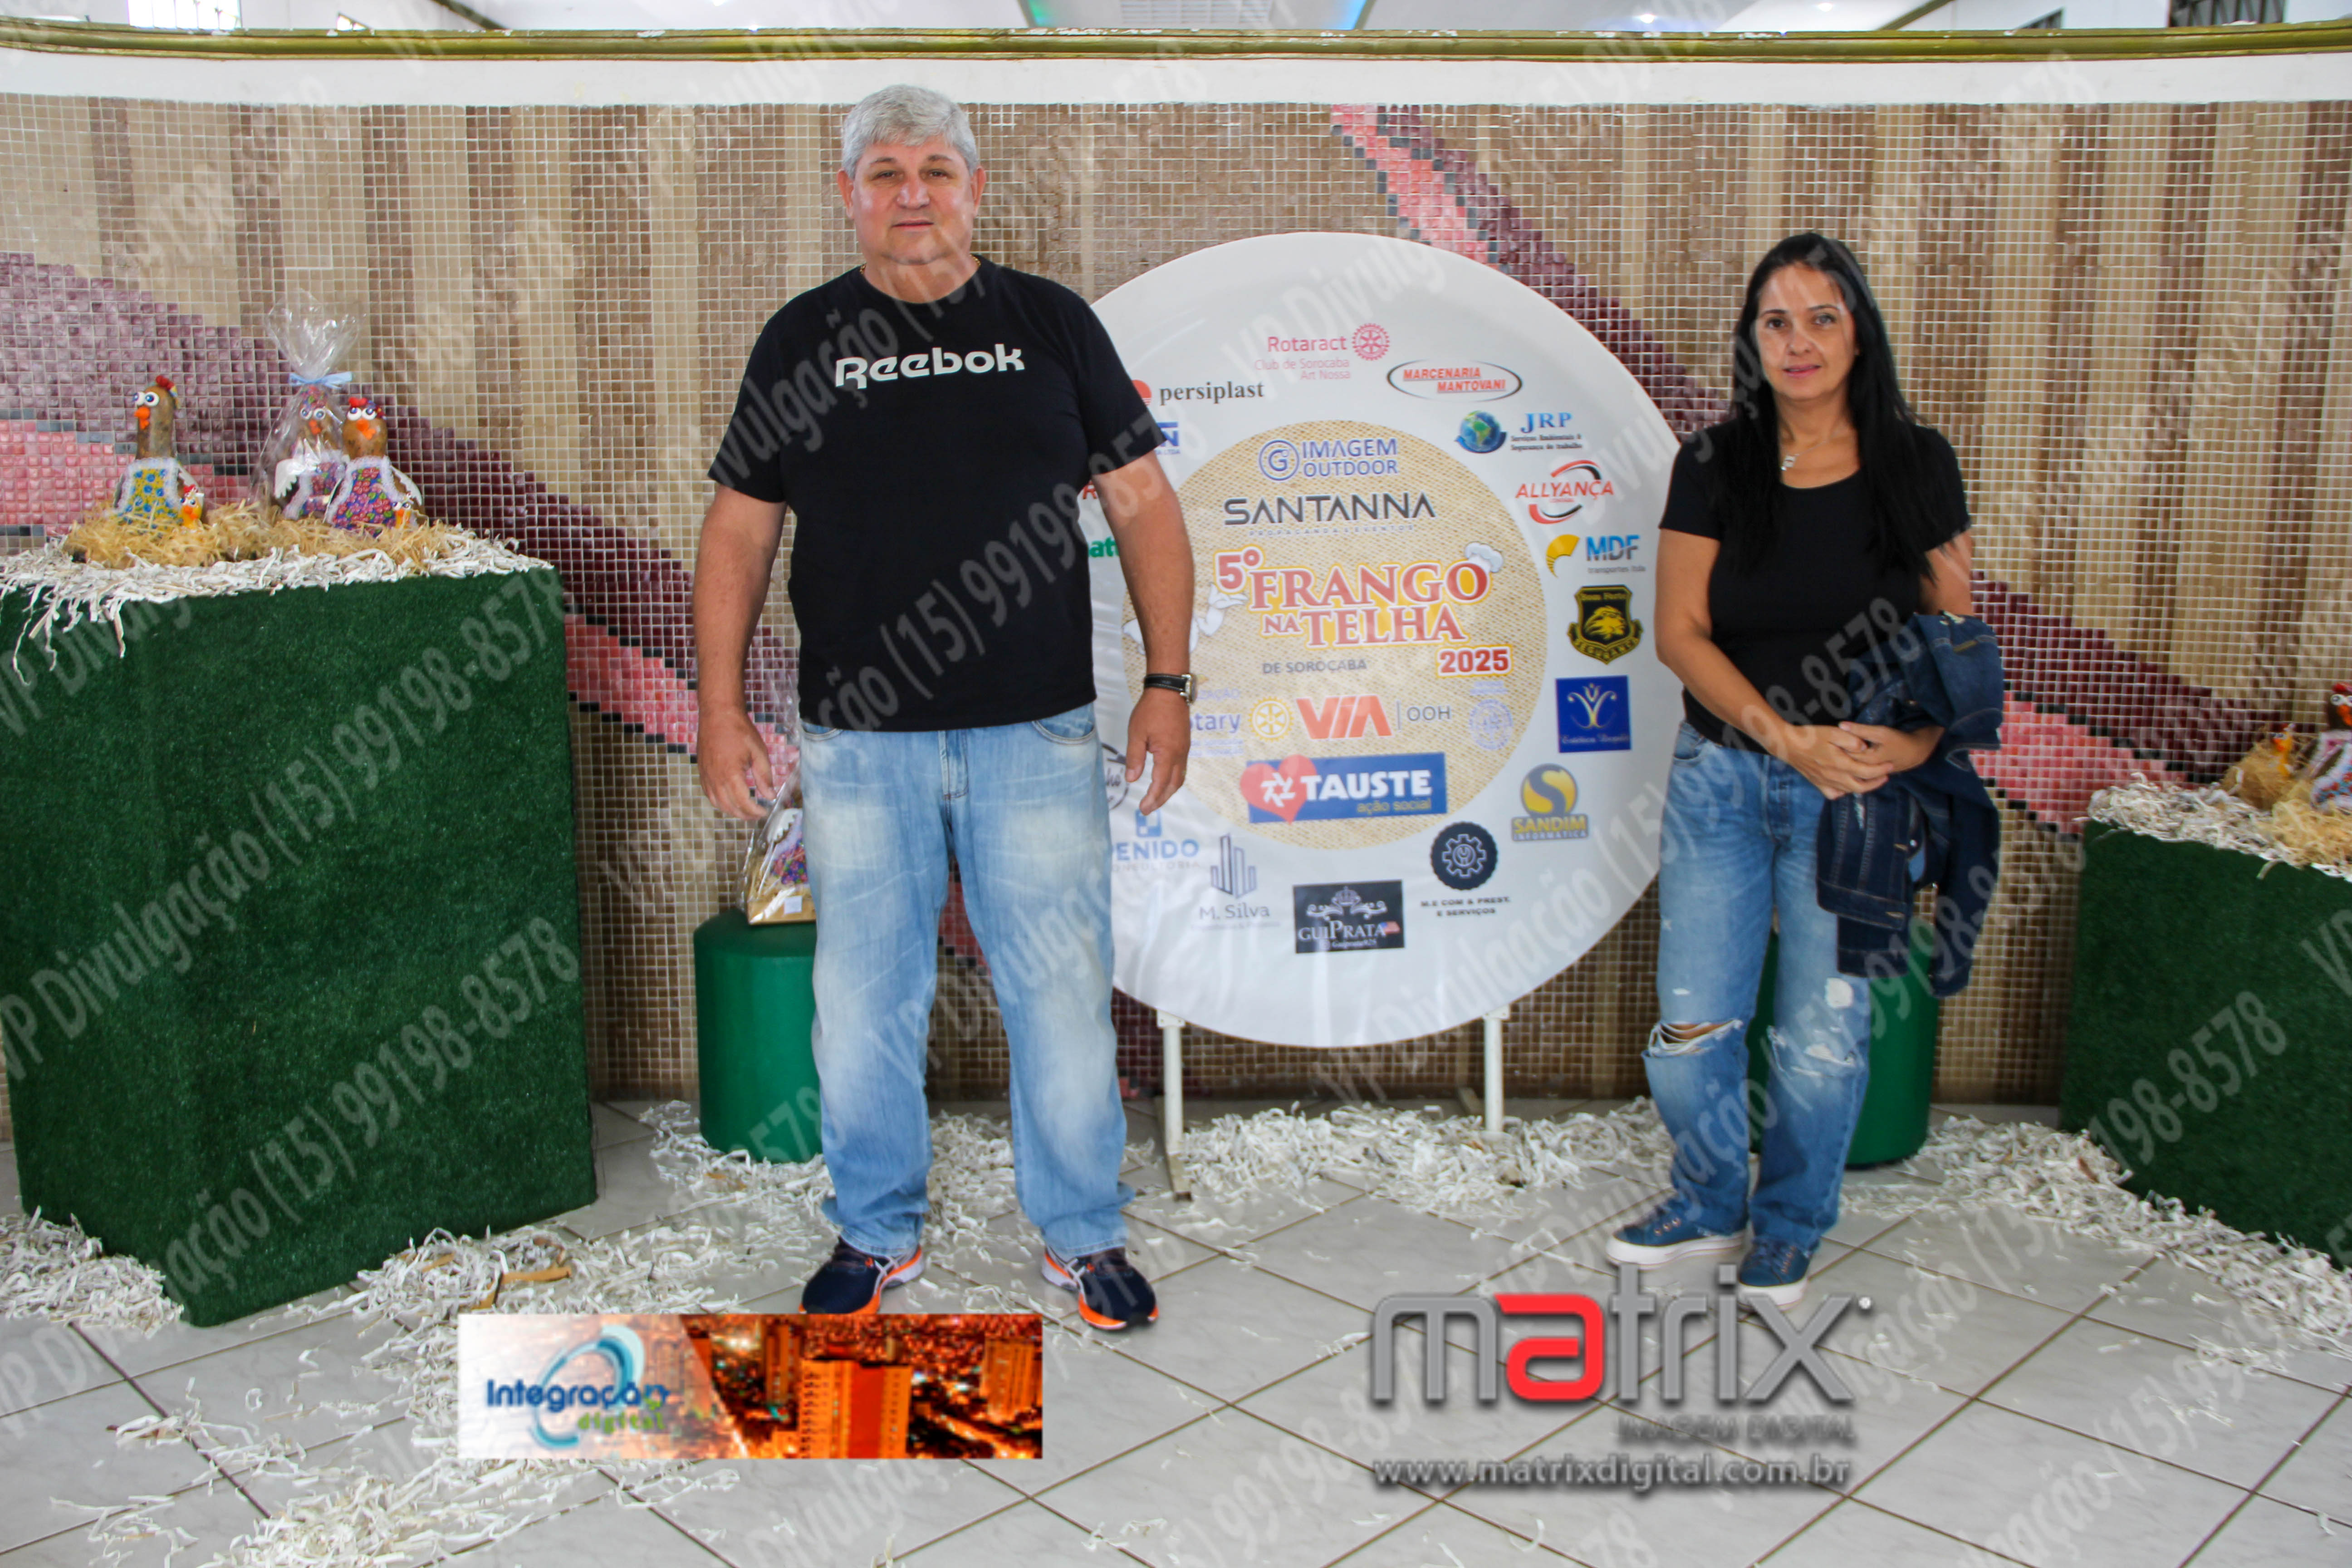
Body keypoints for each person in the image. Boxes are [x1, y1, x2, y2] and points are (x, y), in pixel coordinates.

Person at [693, 84, 1196, 1330]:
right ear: (848, 194)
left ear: (974, 187)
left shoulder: (1050, 323)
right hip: (860, 742)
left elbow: (1143, 508)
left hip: (1037, 732)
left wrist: (1169, 683)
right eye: (884, 171)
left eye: (934, 169)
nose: (910, 192)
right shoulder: (802, 338)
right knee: (865, 1002)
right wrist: (720, 707)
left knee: (1060, 996)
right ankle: (875, 1231)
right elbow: (740, 531)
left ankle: (1082, 1234)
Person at [1605, 233, 1976, 1310]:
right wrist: (1784, 738)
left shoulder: (1917, 464)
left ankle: (1791, 1224)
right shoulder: (1715, 464)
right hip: (1723, 781)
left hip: (1857, 797)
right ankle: (1708, 1201)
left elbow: (1956, 640)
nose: (1798, 341)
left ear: (1860, 333)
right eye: (1777, 321)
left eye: (1822, 317)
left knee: (1823, 1036)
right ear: (1752, 339)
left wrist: (1915, 747)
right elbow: (1680, 634)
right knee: (1691, 1030)